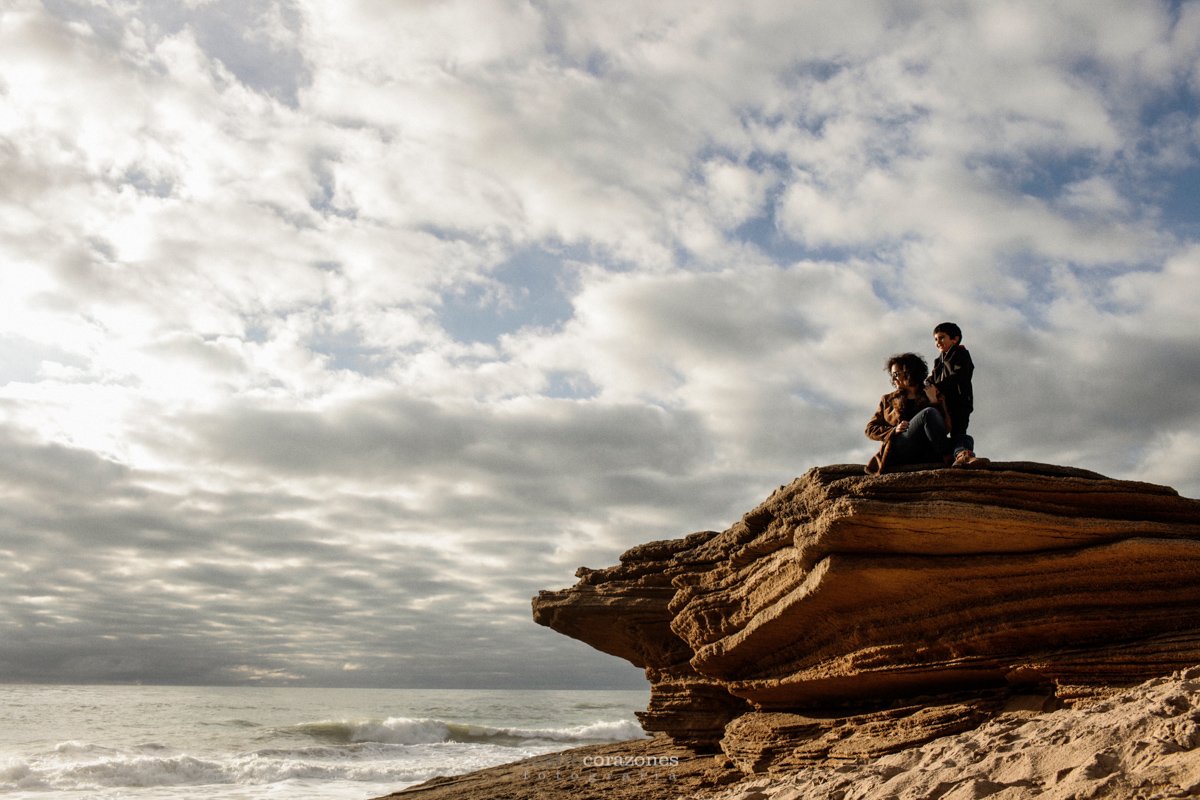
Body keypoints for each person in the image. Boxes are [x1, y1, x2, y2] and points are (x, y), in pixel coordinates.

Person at [865, 352, 953, 475]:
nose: (893, 378)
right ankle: (948, 458)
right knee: (928, 413)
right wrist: (894, 430)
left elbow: (946, 428)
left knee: (964, 438)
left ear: (910, 372)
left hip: (927, 448)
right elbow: (870, 429)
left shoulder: (932, 393)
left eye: (896, 374)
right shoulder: (888, 400)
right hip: (902, 448)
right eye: (892, 375)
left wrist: (934, 401)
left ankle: (951, 456)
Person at [924, 322, 989, 468]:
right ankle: (950, 455)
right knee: (939, 430)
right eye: (935, 339)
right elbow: (931, 379)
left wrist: (936, 387)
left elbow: (959, 376)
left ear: (955, 339)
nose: (938, 342)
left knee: (958, 431)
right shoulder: (938, 361)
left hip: (960, 402)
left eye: (941, 338)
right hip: (943, 403)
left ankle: (963, 455)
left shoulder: (961, 354)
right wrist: (927, 386)